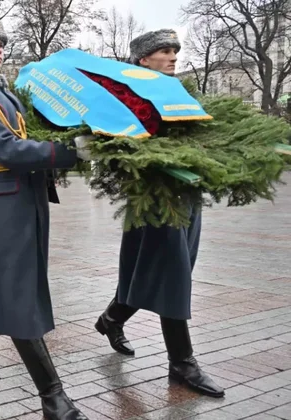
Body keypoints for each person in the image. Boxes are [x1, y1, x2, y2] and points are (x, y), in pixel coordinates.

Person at [0, 19, 90, 420]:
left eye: (0, 44)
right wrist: (69, 153)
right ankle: (53, 397)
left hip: (20, 199)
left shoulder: (7, 94)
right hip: (0, 202)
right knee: (16, 292)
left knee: (6, 280)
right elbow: (9, 150)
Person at [93, 29, 224, 398]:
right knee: (171, 274)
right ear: (143, 60)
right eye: (164, 51)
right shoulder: (129, 97)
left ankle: (112, 319)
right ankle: (182, 363)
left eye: (174, 51)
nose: (172, 57)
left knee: (159, 269)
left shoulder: (181, 93)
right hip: (154, 198)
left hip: (185, 196)